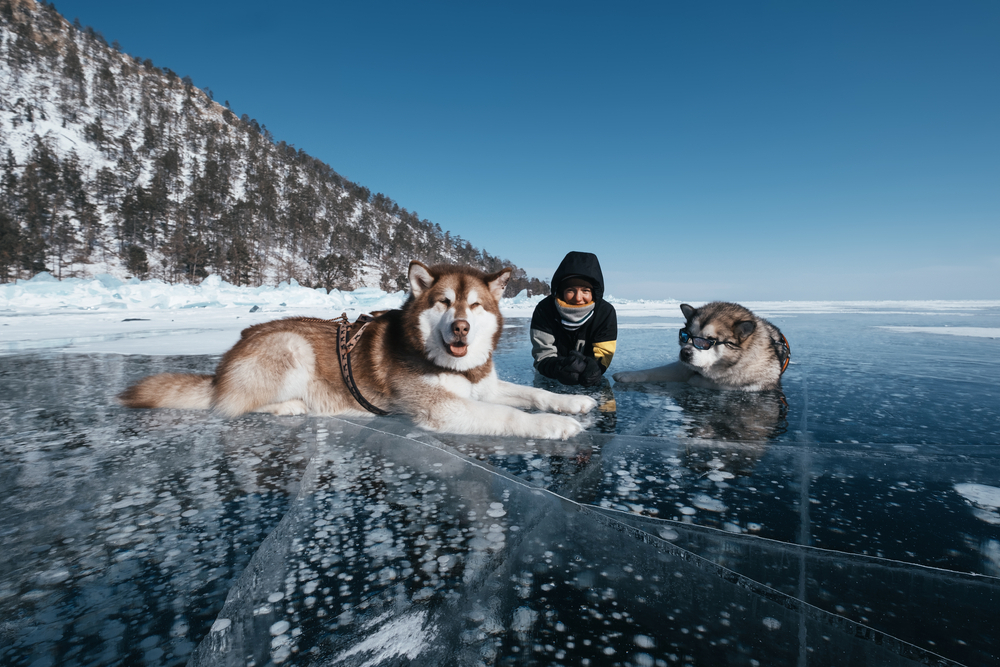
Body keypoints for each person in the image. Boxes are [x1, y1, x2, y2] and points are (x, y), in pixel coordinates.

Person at [530, 251, 617, 386]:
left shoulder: (605, 312)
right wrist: (559, 368)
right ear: (561, 291)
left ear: (593, 292)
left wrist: (595, 369)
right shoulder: (545, 309)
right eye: (570, 290)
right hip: (552, 374)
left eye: (585, 291)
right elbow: (542, 354)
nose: (578, 297)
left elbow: (604, 353)